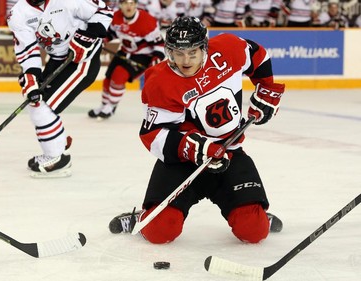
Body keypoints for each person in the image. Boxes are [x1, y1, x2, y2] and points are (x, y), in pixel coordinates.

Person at [109, 16, 285, 244]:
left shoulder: (228, 49)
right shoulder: (160, 81)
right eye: (178, 53)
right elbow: (153, 136)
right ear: (168, 51)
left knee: (254, 230)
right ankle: (143, 218)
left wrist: (267, 89)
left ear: (205, 47)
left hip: (230, 154)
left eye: (193, 52)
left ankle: (255, 214)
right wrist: (193, 147)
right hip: (183, 164)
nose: (185, 60)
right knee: (161, 232)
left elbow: (257, 55)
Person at [7, 0, 113, 177]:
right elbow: (28, 49)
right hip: (58, 59)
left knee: (44, 106)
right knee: (36, 100)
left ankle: (57, 157)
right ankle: (58, 144)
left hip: (84, 59)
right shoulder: (18, 13)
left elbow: (103, 11)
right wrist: (31, 75)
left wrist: (88, 35)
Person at [88, 0, 165, 120]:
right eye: (125, 3)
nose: (129, 6)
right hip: (124, 51)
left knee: (119, 76)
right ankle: (104, 106)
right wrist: (102, 41)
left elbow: (160, 45)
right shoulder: (116, 16)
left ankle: (111, 107)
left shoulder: (147, 21)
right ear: (120, 5)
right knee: (108, 79)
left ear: (135, 5)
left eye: (132, 3)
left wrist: (155, 61)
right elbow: (112, 33)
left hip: (143, 56)